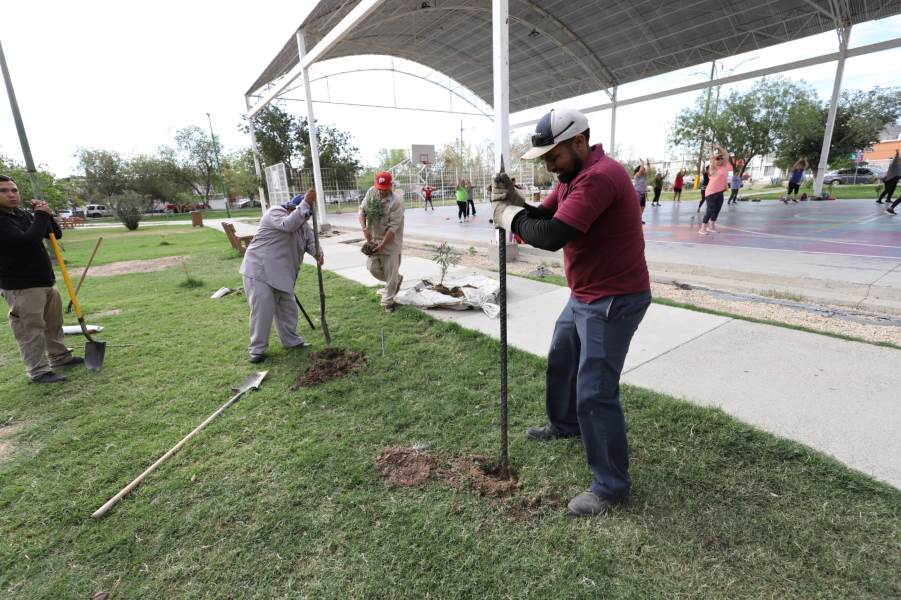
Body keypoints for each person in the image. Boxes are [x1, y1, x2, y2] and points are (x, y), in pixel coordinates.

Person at [491, 107, 651, 517]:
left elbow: (551, 236)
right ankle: (565, 425)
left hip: (614, 298)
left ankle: (611, 486)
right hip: (585, 294)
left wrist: (508, 216)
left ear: (579, 142)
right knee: (562, 359)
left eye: (553, 157)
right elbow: (545, 215)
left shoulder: (599, 178)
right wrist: (517, 204)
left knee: (595, 391)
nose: (549, 167)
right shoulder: (571, 177)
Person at [0, 175, 84, 383]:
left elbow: (54, 233)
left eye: (14, 190)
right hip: (21, 286)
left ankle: (60, 357)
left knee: (53, 324)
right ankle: (38, 371)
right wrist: (40, 216)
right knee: (30, 330)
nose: (11, 194)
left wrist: (46, 215)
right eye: (4, 191)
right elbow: (26, 242)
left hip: (45, 281)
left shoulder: (21, 215)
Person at [239, 190, 322, 364]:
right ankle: (257, 349)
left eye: (307, 216)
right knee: (263, 310)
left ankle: (291, 341)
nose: (305, 218)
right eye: (303, 213)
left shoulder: (303, 224)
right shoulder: (275, 213)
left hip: (283, 274)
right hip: (260, 270)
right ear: (292, 208)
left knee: (288, 309)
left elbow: (311, 241)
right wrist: (306, 203)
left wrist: (318, 253)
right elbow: (288, 225)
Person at [360, 171, 405, 312]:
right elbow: (362, 211)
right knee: (372, 268)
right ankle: (396, 279)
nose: (381, 192)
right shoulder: (371, 192)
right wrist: (364, 228)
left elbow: (392, 229)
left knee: (390, 273)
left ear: (390, 186)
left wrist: (383, 245)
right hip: (374, 239)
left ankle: (388, 301)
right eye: (379, 188)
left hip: (391, 243)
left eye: (384, 189)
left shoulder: (396, 202)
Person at [698, 144, 730, 235]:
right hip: (711, 193)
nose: (720, 159)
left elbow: (726, 155)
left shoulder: (724, 166)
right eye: (717, 158)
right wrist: (711, 150)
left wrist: (719, 147)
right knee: (710, 211)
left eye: (721, 158)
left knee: (717, 210)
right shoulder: (713, 169)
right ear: (715, 160)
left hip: (720, 192)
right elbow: (712, 158)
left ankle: (711, 227)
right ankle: (702, 229)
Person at [884, 150, 901, 214]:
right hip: (890, 180)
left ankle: (890, 208)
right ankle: (890, 208)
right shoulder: (894, 164)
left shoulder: (898, 166)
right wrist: (897, 155)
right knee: (887, 190)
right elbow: (896, 159)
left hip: (893, 179)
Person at [632, 159, 648, 223]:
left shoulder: (644, 176)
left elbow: (649, 171)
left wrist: (648, 164)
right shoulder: (637, 175)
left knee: (642, 206)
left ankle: (639, 219)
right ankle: (635, 219)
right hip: (637, 193)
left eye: (644, 169)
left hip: (643, 193)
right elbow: (641, 171)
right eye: (643, 169)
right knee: (637, 207)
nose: (644, 170)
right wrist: (642, 163)